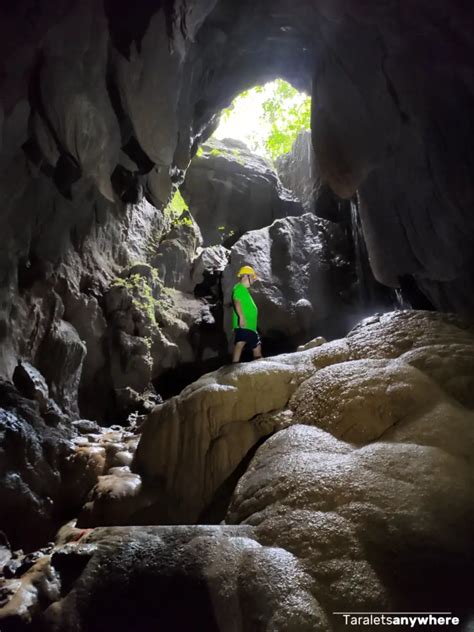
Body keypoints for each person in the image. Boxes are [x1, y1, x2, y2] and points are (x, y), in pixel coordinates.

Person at [231, 265, 262, 363]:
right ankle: (234, 365)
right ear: (245, 276)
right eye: (252, 278)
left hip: (251, 327)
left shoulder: (244, 291)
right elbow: (237, 301)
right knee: (240, 342)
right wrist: (241, 317)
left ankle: (259, 364)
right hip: (244, 325)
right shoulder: (239, 288)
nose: (253, 281)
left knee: (257, 346)